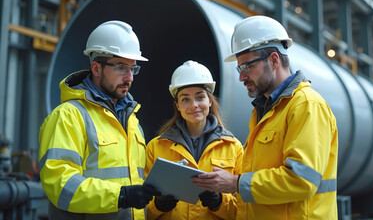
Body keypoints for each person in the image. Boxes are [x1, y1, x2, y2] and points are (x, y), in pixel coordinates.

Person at [191, 15, 338, 219]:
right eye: (239, 69)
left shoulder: (305, 105)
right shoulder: (265, 112)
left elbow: (301, 180)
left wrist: (234, 182)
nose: (241, 77)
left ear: (274, 60)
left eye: (247, 67)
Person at [38, 20, 160, 220]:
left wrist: (157, 201)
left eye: (133, 69)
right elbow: (59, 182)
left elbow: (137, 185)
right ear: (96, 68)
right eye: (121, 67)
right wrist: (119, 196)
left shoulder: (132, 121)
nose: (130, 77)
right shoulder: (69, 116)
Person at [145, 60, 244, 219]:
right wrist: (157, 205)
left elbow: (246, 211)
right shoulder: (155, 147)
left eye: (200, 97)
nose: (194, 105)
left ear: (210, 101)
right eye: (185, 99)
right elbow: (138, 211)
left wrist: (220, 202)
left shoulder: (234, 148)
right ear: (177, 105)